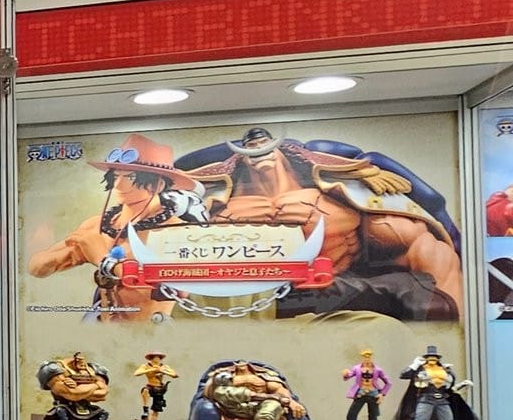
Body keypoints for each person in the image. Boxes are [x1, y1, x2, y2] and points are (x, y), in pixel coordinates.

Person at [178, 126, 463, 319]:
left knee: (420, 245)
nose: (259, 151)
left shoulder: (340, 197)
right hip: (243, 304)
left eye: (265, 145)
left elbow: (426, 249)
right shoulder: (209, 206)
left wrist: (450, 330)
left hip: (337, 294)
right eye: (251, 147)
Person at [28, 133, 197, 322]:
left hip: (149, 330)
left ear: (158, 184)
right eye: (115, 176)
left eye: (131, 177)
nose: (118, 184)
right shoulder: (98, 225)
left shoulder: (175, 231)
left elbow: (177, 291)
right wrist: (69, 254)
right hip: (101, 325)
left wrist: (102, 259)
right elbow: (36, 267)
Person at [341, 348, 390, 420]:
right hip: (360, 394)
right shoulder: (357, 368)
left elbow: (388, 383)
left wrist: (382, 394)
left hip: (373, 394)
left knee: (373, 416)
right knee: (351, 415)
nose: (367, 359)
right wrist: (345, 374)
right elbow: (348, 376)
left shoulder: (378, 370)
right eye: (365, 357)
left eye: (369, 357)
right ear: (362, 358)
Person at [132, 352, 178, 420]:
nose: (157, 359)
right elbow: (136, 373)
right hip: (150, 386)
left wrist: (163, 371)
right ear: (151, 358)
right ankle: (145, 410)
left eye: (158, 357)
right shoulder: (146, 366)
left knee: (156, 409)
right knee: (145, 391)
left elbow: (175, 375)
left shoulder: (164, 367)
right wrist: (152, 370)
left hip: (159, 388)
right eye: (155, 357)